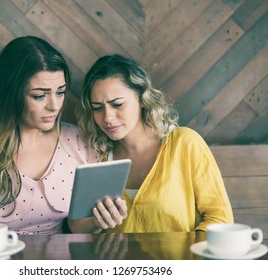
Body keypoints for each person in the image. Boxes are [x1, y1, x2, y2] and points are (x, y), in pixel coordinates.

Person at [0, 36, 127, 236]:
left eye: (60, 92)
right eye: (39, 96)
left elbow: (77, 226)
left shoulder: (80, 142)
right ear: (11, 94)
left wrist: (98, 220)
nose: (55, 106)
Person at [77, 54, 234, 233]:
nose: (107, 117)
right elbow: (78, 224)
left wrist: (190, 256)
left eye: (117, 104)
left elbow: (220, 217)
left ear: (143, 99)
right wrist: (97, 224)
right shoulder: (96, 156)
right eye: (97, 108)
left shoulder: (185, 143)